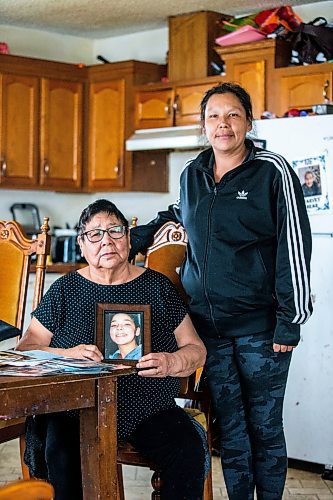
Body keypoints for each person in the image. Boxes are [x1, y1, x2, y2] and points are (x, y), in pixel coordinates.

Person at [129, 83, 313, 500]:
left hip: (261, 329)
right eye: (213, 116)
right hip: (209, 328)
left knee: (264, 428)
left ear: (249, 122)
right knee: (229, 429)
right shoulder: (193, 173)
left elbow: (295, 244)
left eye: (232, 115)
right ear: (204, 125)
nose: (223, 124)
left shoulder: (272, 171)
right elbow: (179, 213)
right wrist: (134, 237)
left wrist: (291, 320)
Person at [16, 198, 207, 500]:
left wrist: (170, 362)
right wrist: (68, 354)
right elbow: (26, 349)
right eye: (95, 234)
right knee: (59, 453)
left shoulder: (157, 287)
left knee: (188, 449)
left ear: (129, 239)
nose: (106, 240)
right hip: (75, 410)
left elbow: (196, 349)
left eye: (115, 231)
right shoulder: (65, 289)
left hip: (147, 407)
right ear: (81, 245)